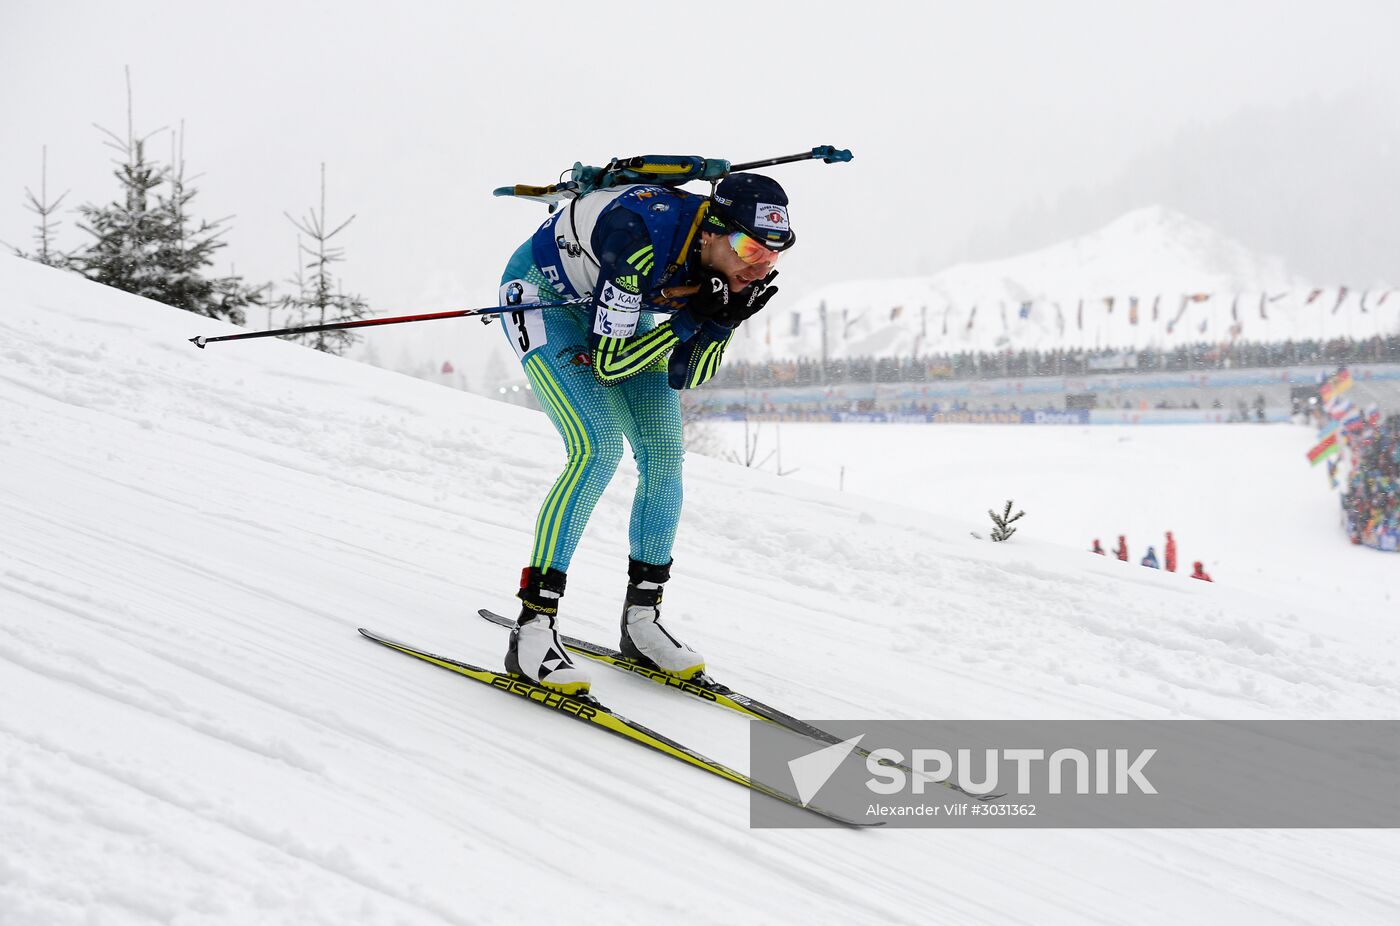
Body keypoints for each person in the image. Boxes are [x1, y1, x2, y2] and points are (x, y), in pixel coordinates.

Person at [495, 173, 794, 694]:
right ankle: (532, 628)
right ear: (711, 234)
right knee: (598, 447)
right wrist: (687, 321)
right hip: (545, 299)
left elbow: (686, 375)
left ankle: (642, 621)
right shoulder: (639, 236)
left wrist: (720, 324)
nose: (758, 265)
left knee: (664, 455)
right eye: (749, 247)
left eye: (773, 255)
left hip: (613, 306)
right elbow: (610, 367)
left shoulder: (729, 267)